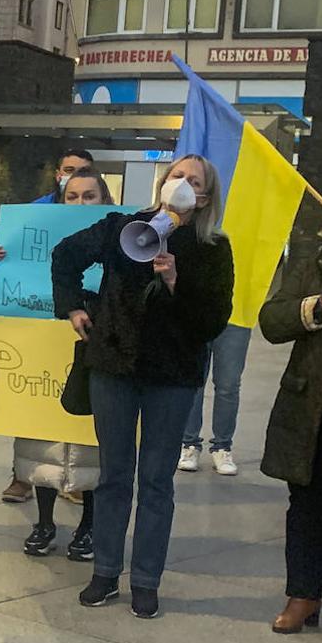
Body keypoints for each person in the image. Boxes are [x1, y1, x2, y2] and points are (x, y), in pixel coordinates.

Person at [53, 154, 233, 618]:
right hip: (114, 366)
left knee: (156, 480)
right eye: (177, 176)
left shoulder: (213, 248)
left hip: (172, 376)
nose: (183, 184)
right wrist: (73, 306)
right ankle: (106, 572)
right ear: (162, 184)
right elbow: (65, 256)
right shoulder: (121, 227)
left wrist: (174, 282)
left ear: (205, 197)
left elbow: (212, 321)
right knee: (114, 475)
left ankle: (147, 580)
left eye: (194, 181)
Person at [0, 167, 113, 561]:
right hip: (41, 351)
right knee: (41, 441)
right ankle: (44, 522)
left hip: (95, 349)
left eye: (88, 196)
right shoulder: (41, 231)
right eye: (71, 196)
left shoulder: (119, 239)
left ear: (104, 200)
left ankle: (89, 527)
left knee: (92, 444)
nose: (79, 204)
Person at [261, 182, 322, 643]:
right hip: (310, 408)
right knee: (305, 505)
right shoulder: (312, 265)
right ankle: (303, 595)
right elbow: (271, 321)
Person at [178, 322, 253, 475]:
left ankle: (222, 447)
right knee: (193, 381)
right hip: (198, 313)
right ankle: (189, 444)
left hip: (237, 315)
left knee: (229, 385)